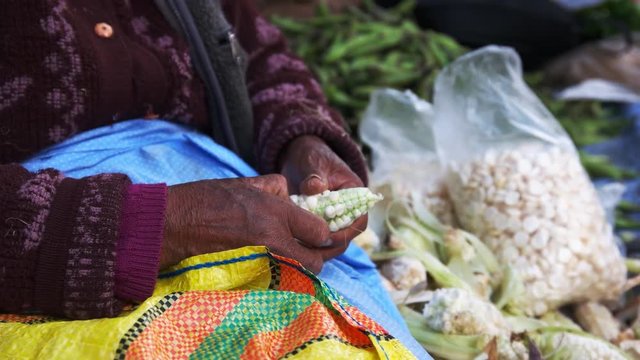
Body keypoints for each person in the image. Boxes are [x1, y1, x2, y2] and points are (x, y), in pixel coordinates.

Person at [0, 1, 429, 357]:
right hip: (52, 266)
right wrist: (165, 223)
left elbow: (254, 54)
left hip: (229, 197)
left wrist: (300, 139)